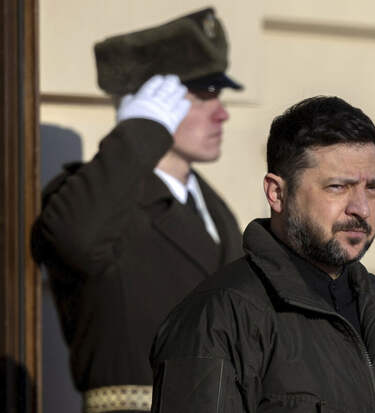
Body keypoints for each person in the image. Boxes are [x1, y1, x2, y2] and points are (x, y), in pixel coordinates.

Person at [150, 96, 375, 412]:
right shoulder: (220, 318)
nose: (361, 208)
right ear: (277, 193)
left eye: (372, 188)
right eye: (338, 187)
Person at [31, 8, 244, 412]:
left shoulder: (216, 213)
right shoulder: (91, 202)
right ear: (150, 103)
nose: (222, 113)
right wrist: (139, 134)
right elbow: (76, 239)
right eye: (202, 95)